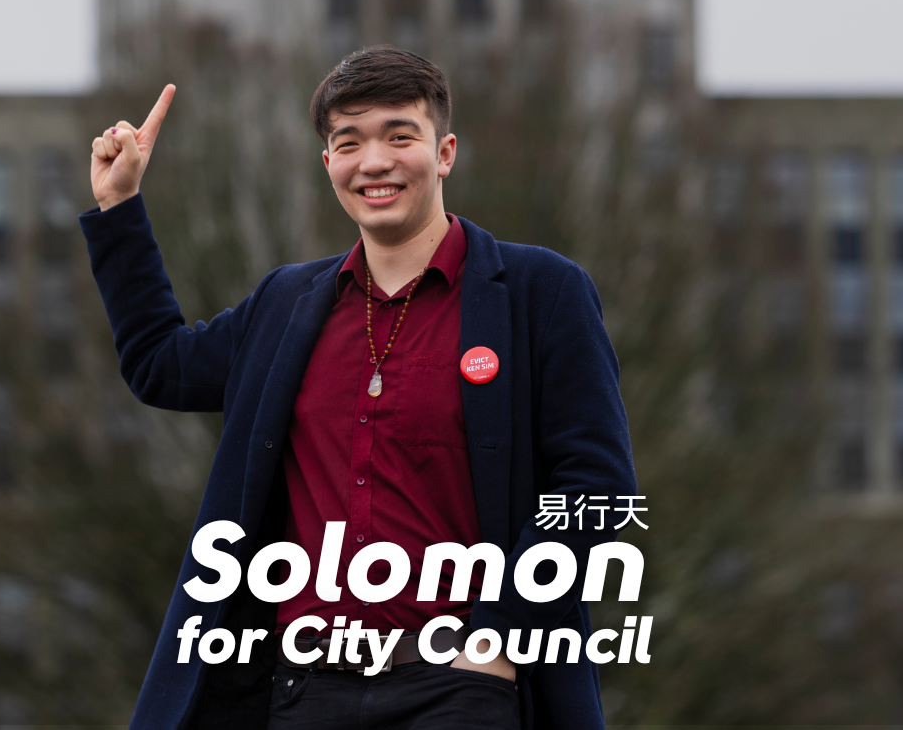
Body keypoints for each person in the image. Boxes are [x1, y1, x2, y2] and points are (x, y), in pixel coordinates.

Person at [80, 46, 637, 730]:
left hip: (459, 689)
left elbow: (598, 492)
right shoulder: (286, 304)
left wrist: (496, 635)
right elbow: (159, 364)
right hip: (301, 692)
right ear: (328, 165)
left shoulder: (540, 293)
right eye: (349, 142)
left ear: (445, 152)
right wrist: (120, 209)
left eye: (400, 136)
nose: (374, 162)